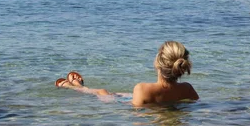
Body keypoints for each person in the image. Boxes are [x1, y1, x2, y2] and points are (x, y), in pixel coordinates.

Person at [55, 41, 200, 107]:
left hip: (123, 105)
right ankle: (77, 86)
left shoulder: (142, 89)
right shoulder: (187, 89)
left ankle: (76, 87)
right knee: (121, 93)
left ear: (157, 63)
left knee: (102, 91)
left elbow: (135, 112)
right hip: (147, 101)